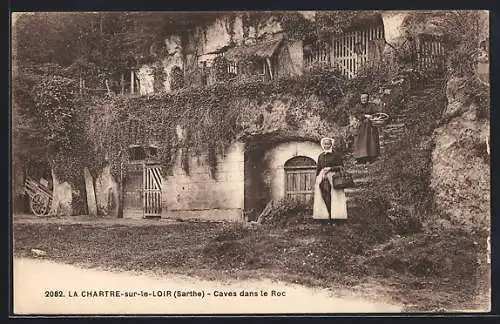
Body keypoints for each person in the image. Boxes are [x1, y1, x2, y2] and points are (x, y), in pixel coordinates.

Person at [313, 137, 348, 223]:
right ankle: (325, 216)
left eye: (328, 144)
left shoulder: (336, 155)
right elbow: (318, 168)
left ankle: (336, 217)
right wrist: (317, 178)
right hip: (322, 177)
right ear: (322, 145)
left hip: (333, 177)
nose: (326, 146)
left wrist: (330, 168)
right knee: (324, 196)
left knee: (335, 197)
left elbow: (341, 167)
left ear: (331, 144)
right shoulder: (320, 156)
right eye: (325, 144)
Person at [352, 93, 380, 164]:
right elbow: (356, 114)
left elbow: (377, 113)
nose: (363, 100)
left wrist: (372, 117)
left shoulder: (372, 105)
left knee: (370, 141)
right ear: (360, 99)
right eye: (362, 98)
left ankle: (370, 158)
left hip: (370, 126)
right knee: (359, 141)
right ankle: (360, 158)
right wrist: (364, 116)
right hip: (361, 126)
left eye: (365, 98)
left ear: (368, 99)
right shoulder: (358, 106)